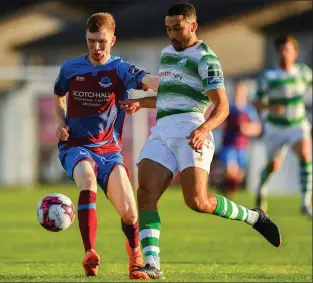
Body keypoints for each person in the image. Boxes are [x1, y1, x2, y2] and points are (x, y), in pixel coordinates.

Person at [120, 3, 282, 279]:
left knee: (197, 201)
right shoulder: (167, 53)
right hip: (162, 130)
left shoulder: (206, 58)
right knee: (145, 193)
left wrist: (204, 129)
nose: (171, 34)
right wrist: (141, 102)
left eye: (177, 28)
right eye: (168, 29)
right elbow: (170, 96)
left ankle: (254, 217)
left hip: (191, 129)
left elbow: (223, 106)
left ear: (193, 26)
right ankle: (152, 264)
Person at [53, 12, 158, 279]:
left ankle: (135, 258)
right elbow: (58, 97)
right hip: (75, 146)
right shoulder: (70, 68)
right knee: (87, 180)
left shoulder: (120, 69)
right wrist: (60, 122)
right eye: (91, 41)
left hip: (109, 152)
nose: (96, 48)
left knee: (130, 213)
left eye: (102, 41)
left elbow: (149, 81)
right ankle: (90, 254)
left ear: (113, 39)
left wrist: (173, 86)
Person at [252, 35, 312, 217]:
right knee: (273, 166)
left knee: (305, 154)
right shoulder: (269, 76)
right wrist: (269, 107)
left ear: (295, 53)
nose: (285, 53)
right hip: (276, 127)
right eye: (282, 50)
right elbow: (256, 101)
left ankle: (305, 202)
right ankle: (262, 187)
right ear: (278, 53)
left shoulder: (303, 73)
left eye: (289, 50)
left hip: (297, 124)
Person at [220, 81, 261, 198]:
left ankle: (228, 193)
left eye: (241, 91)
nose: (239, 94)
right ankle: (226, 191)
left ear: (246, 93)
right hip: (229, 145)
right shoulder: (229, 108)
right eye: (237, 91)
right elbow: (221, 122)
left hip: (242, 147)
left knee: (238, 176)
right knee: (230, 172)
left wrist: (247, 129)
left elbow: (257, 128)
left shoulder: (249, 110)